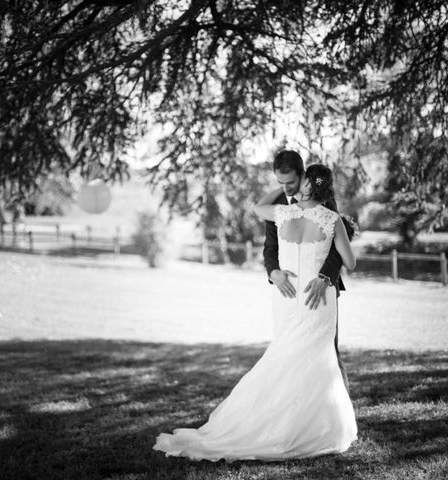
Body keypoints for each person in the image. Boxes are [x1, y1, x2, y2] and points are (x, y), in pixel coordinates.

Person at [153, 163, 357, 462]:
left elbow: (258, 206)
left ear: (304, 183)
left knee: (285, 355)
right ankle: (313, 426)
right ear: (326, 188)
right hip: (319, 299)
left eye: (295, 182)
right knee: (316, 359)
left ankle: (277, 421)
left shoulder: (282, 213)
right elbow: (350, 263)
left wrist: (287, 190)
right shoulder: (331, 219)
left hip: (288, 297)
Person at [264, 150, 349, 391]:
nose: (287, 188)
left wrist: (325, 276)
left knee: (328, 354)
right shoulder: (278, 207)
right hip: (288, 294)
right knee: (287, 352)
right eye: (280, 183)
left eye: (290, 182)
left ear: (303, 175)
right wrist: (273, 273)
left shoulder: (322, 198)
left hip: (320, 292)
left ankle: (338, 414)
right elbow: (269, 247)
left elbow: (337, 245)